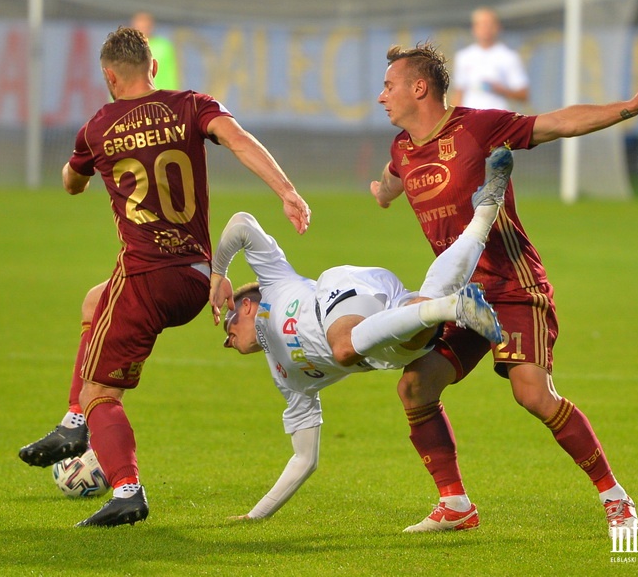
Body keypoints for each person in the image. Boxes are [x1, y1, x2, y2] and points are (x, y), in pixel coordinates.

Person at [371, 42, 638, 534]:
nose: (381, 96)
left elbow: (558, 122)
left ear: (419, 88)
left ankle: (616, 498)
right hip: (459, 298)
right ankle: (455, 505)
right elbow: (391, 180)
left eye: (388, 86)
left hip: (512, 287)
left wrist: (631, 107)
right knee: (414, 385)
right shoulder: (402, 149)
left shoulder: (478, 127)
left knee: (532, 394)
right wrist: (383, 192)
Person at [17, 26, 311, 528]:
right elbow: (238, 140)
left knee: (101, 396)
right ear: (153, 68)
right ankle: (71, 425)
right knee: (94, 302)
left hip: (145, 276)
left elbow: (71, 182)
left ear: (109, 76)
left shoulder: (97, 127)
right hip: (196, 280)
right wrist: (286, 190)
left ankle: (126, 487)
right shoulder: (192, 104)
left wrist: (78, 170)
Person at [210, 147, 513, 521]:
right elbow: (305, 459)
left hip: (342, 292)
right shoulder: (288, 380)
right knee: (416, 330)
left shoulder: (274, 282)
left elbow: (241, 224)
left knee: (343, 348)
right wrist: (255, 516)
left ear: (245, 306)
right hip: (378, 337)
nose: (227, 340)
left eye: (228, 327)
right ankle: (485, 212)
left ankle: (453, 307)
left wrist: (218, 271)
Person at [450, 7, 529, 110]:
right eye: (481, 25)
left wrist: (501, 90)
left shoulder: (509, 57)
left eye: (489, 24)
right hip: (471, 119)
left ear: (498, 27)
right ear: (474, 28)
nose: (485, 29)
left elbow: (523, 94)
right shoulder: (463, 56)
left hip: (498, 120)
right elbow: (458, 93)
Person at [131, 11, 180, 91]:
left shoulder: (164, 47)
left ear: (151, 26)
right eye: (139, 26)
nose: (142, 29)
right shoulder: (124, 48)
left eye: (145, 26)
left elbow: (171, 75)